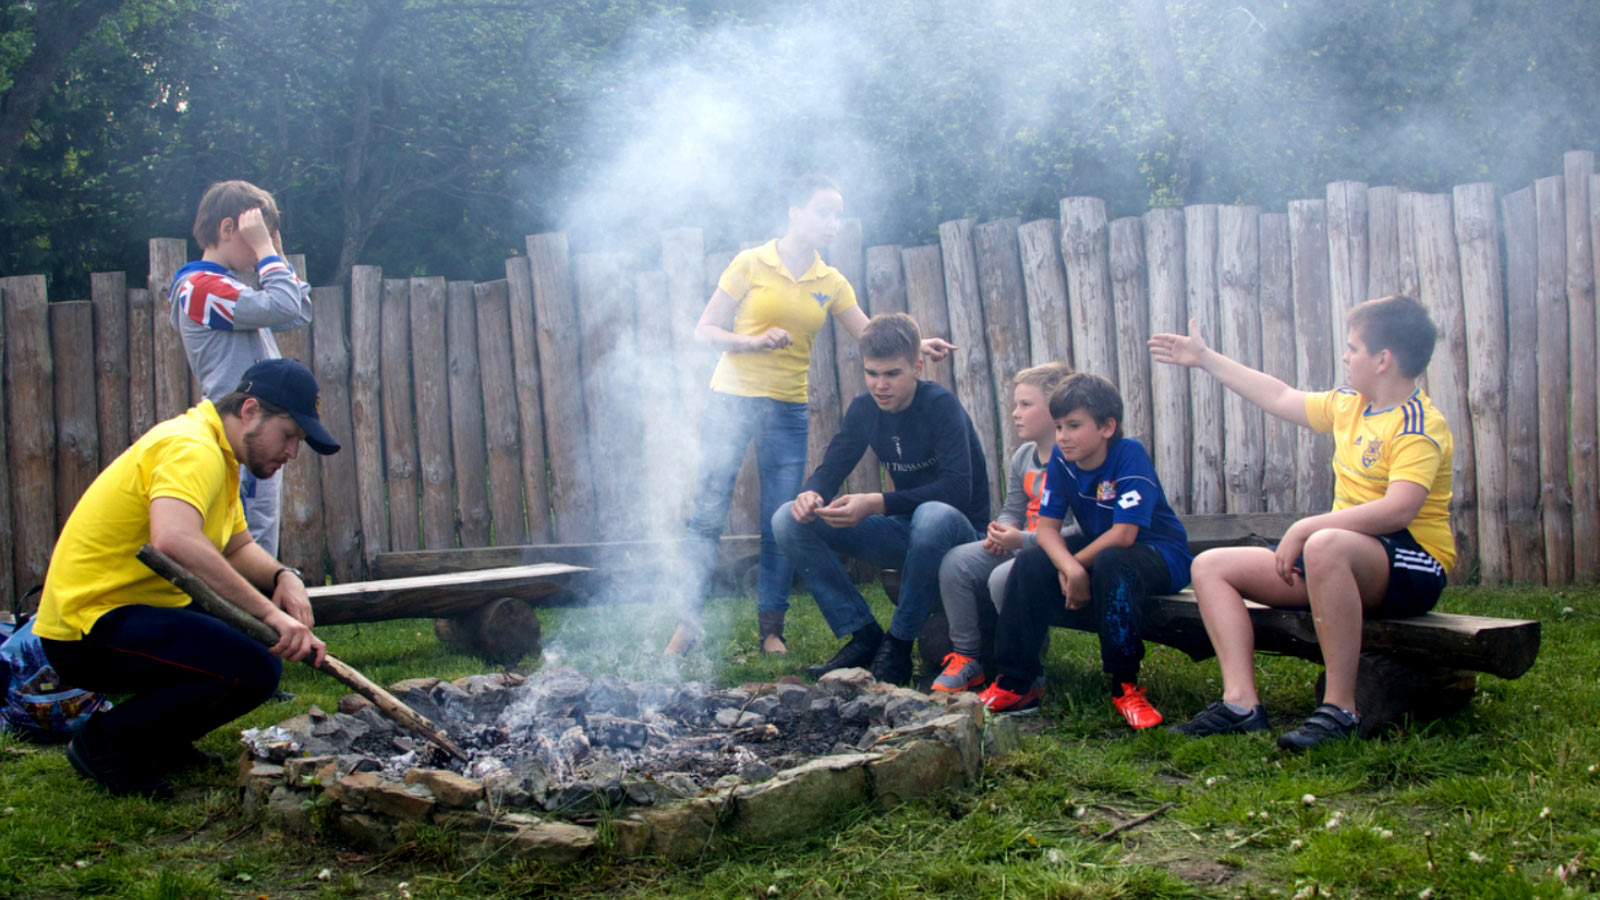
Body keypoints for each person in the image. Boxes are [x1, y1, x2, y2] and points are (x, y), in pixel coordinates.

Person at [665, 175, 953, 656]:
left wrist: (917, 344)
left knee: (780, 518)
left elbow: (869, 335)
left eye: (838, 215)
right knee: (706, 515)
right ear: (794, 211)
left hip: (787, 411)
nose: (832, 223)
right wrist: (752, 342)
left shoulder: (830, 281)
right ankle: (686, 625)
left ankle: (771, 631)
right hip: (730, 401)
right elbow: (704, 331)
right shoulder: (750, 263)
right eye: (824, 212)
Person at [1150, 295, 1453, 749]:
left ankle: (1341, 709)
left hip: (1412, 565)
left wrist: (1306, 527)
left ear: (1383, 359)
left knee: (1325, 543)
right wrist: (1206, 359)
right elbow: (1279, 395)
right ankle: (1240, 704)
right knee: (1211, 566)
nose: (1346, 357)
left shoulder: (1418, 424)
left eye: (1353, 348)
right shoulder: (1352, 405)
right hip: (1339, 557)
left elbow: (1399, 510)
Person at [34, 359, 340, 797]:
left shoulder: (220, 453)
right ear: (250, 410)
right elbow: (174, 540)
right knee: (253, 666)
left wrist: (282, 575)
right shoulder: (191, 447)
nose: (292, 452)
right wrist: (272, 615)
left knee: (253, 650)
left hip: (132, 611)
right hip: (87, 626)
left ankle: (159, 740)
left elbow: (235, 547)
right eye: (289, 434)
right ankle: (106, 744)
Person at [772, 312, 989, 686]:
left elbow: (957, 490)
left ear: (917, 367)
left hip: (960, 539)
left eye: (892, 374)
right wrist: (810, 494)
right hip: (905, 532)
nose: (880, 385)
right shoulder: (864, 409)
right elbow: (833, 465)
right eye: (872, 373)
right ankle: (864, 634)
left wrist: (875, 503)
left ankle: (899, 644)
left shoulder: (941, 406)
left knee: (933, 515)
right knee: (785, 519)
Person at [977, 373, 1191, 725]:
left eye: (1073, 426)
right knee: (1031, 560)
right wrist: (1071, 569)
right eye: (1059, 426)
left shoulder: (1129, 454)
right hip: (1101, 549)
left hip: (1159, 555)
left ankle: (1125, 686)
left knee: (1111, 562)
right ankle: (1017, 681)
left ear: (1107, 427)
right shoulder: (1062, 459)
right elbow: (1046, 530)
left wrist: (1075, 563)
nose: (1062, 437)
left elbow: (1124, 534)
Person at [169, 180, 314, 558]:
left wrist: (273, 252)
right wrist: (268, 252)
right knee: (247, 545)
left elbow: (299, 308)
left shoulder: (229, 291)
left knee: (260, 536)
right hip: (239, 431)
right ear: (228, 229)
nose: (260, 248)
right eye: (254, 235)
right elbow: (285, 305)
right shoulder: (199, 288)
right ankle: (249, 613)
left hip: (257, 428)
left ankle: (259, 609)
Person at [931, 361, 1079, 693]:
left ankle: (1028, 667)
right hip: (1021, 543)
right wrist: (1001, 531)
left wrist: (1020, 540)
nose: (1015, 413)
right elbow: (1013, 508)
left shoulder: (1074, 458)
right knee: (956, 562)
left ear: (1056, 409)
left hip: (1055, 555)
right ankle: (967, 657)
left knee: (1003, 578)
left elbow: (1076, 530)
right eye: (1016, 404)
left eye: (1026, 405)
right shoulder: (1023, 456)